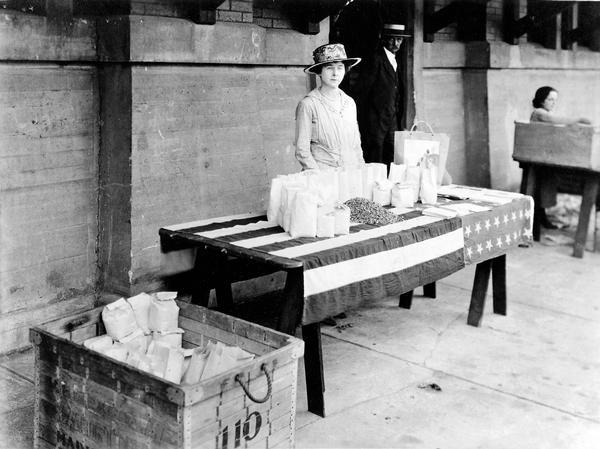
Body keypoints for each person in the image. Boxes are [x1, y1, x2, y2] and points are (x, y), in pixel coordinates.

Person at [529, 86, 593, 229]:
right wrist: (579, 119)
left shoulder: (545, 113)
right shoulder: (539, 113)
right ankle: (538, 220)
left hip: (544, 157)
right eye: (550, 99)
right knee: (542, 185)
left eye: (555, 100)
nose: (553, 103)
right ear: (541, 100)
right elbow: (554, 120)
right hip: (535, 157)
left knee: (547, 183)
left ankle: (542, 217)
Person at [294, 43, 365, 171]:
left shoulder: (349, 103)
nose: (335, 73)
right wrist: (320, 178)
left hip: (349, 174)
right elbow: (302, 150)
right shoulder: (309, 104)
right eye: (329, 68)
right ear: (319, 72)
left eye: (340, 67)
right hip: (323, 176)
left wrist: (361, 171)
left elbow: (356, 146)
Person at [353, 23, 411, 166]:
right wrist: (364, 123)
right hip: (375, 124)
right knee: (375, 160)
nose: (396, 43)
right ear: (384, 39)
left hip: (392, 121)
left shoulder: (395, 60)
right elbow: (361, 93)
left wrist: (399, 121)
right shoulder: (375, 59)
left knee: (391, 158)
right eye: (392, 39)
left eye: (399, 39)